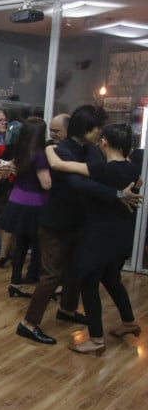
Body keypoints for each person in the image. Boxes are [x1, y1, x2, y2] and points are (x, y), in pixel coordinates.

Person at [16, 105, 141, 345]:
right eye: (97, 129)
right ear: (86, 130)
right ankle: (28, 324)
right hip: (55, 222)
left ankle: (68, 310)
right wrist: (116, 194)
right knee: (51, 275)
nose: (100, 133)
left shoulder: (91, 150)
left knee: (76, 270)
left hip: (79, 221)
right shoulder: (62, 150)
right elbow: (78, 183)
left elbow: (100, 173)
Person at [44, 124, 143, 354]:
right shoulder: (132, 169)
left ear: (105, 142)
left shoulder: (102, 169)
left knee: (88, 283)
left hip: (100, 236)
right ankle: (129, 322)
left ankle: (96, 339)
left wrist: (50, 146)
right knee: (111, 279)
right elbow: (135, 185)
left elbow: (58, 164)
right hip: (121, 235)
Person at [0, 118, 51, 299]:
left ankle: (15, 282)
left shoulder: (20, 151)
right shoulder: (40, 155)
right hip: (35, 205)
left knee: (20, 244)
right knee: (38, 244)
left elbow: (12, 169)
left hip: (16, 201)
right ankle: (33, 277)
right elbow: (46, 183)